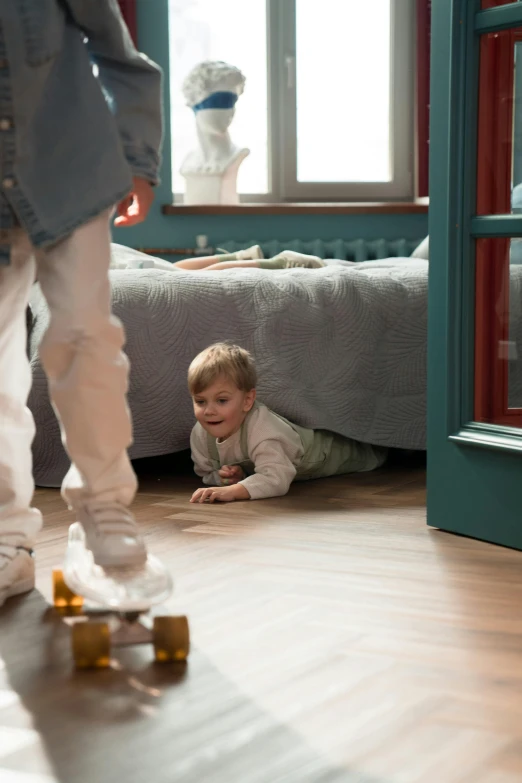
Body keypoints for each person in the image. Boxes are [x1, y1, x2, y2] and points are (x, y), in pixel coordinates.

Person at [0, 0, 163, 607]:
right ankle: (8, 541)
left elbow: (123, 59)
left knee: (83, 334)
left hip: (71, 172)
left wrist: (140, 161)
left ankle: (103, 505)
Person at [188, 343, 387, 503]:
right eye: (200, 401)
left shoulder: (262, 428)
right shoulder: (200, 435)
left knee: (369, 454)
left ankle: (396, 448)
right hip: (286, 465)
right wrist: (228, 477)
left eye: (222, 400)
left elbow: (276, 480)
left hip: (323, 452)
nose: (209, 411)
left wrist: (232, 491)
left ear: (247, 401)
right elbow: (207, 473)